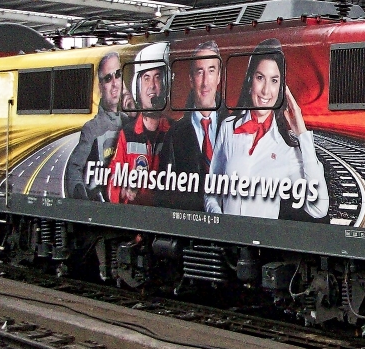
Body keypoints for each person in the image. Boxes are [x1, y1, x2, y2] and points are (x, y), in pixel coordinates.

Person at [204, 39, 328, 219]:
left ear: (281, 88)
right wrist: (220, 221)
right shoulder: (228, 127)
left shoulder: (286, 148)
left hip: (261, 242)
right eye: (260, 78)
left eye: (274, 81)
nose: (266, 91)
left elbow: (318, 208)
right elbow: (212, 190)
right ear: (250, 80)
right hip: (228, 242)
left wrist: (302, 134)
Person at [158, 40, 225, 210]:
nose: (205, 82)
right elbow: (165, 193)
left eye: (211, 71)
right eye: (199, 72)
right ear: (190, 79)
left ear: (219, 77)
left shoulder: (235, 128)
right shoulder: (174, 135)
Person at [108, 42, 170, 205]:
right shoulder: (126, 134)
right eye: (146, 78)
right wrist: (124, 191)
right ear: (138, 86)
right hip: (135, 221)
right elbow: (112, 179)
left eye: (158, 77)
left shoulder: (175, 132)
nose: (152, 86)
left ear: (165, 85)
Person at [65, 51, 124, 200]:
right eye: (108, 78)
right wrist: (81, 197)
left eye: (118, 75)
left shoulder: (131, 122)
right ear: (100, 87)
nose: (115, 84)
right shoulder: (92, 129)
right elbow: (74, 168)